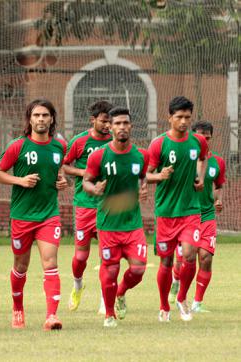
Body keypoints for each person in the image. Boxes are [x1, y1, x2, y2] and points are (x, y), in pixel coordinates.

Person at [0, 99, 68, 331]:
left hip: (48, 215)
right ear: (30, 119)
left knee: (50, 263)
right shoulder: (18, 146)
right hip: (22, 215)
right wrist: (20, 181)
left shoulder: (59, 146)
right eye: (36, 115)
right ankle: (17, 309)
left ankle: (52, 316)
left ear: (52, 119)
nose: (41, 119)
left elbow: (59, 171)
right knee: (21, 266)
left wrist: (62, 180)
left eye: (45, 115)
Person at [83, 107, 149, 328]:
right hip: (109, 224)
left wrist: (143, 188)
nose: (122, 127)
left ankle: (121, 293)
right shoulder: (99, 156)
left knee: (138, 270)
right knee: (110, 270)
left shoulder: (141, 155)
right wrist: (95, 189)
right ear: (109, 127)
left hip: (133, 223)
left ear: (131, 126)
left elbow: (142, 178)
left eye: (126, 123)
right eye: (117, 123)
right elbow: (86, 182)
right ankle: (109, 314)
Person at [146, 96, 208, 322]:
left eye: (187, 118)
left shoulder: (198, 141)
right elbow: (146, 175)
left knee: (190, 255)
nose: (183, 122)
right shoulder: (159, 144)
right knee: (166, 262)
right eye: (179, 117)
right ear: (169, 117)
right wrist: (159, 176)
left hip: (190, 210)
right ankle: (164, 306)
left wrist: (200, 178)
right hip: (165, 213)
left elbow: (203, 159)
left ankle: (182, 298)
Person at [62, 100, 113, 311]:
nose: (108, 125)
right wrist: (85, 173)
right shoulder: (80, 141)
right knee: (81, 256)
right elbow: (64, 165)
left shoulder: (116, 141)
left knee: (107, 255)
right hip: (84, 205)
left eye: (110, 121)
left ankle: (105, 299)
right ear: (93, 120)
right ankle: (77, 284)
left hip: (108, 206)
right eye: (103, 121)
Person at [189, 121, 226, 312]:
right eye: (200, 136)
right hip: (186, 215)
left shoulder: (218, 161)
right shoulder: (186, 158)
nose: (204, 140)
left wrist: (218, 199)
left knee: (205, 258)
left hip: (207, 216)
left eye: (207, 137)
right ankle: (175, 283)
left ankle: (197, 303)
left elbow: (219, 185)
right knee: (184, 260)